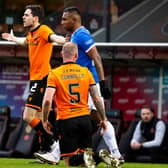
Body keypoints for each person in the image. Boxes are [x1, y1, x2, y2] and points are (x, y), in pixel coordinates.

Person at [61, 6, 123, 166]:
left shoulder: (82, 34)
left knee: (100, 119)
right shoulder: (74, 35)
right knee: (90, 120)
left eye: (64, 19)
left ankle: (116, 154)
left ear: (74, 20)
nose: (62, 22)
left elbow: (96, 57)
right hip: (81, 83)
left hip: (90, 83)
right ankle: (103, 154)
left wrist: (102, 83)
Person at [1, 4, 65, 154]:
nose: (23, 17)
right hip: (35, 79)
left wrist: (65, 40)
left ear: (35, 18)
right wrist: (12, 38)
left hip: (43, 78)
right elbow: (24, 42)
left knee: (27, 116)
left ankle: (52, 142)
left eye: (26, 15)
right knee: (39, 118)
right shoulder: (31, 34)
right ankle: (48, 149)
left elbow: (54, 37)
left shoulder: (43, 30)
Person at [35, 42, 107, 168]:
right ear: (76, 56)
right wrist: (103, 118)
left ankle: (98, 156)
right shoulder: (86, 72)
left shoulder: (54, 73)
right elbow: (96, 98)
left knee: (69, 161)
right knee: (85, 161)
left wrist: (45, 120)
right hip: (85, 119)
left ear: (61, 54)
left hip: (66, 120)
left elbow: (47, 100)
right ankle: (96, 156)